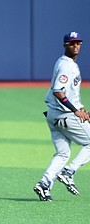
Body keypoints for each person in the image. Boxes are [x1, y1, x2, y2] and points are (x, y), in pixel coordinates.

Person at [33, 31, 90, 202]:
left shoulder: (65, 62)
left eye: (78, 43)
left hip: (53, 115)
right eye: (72, 43)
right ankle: (69, 172)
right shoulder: (67, 65)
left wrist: (81, 108)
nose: (75, 46)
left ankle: (44, 184)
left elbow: (69, 93)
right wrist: (75, 110)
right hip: (65, 115)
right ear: (65, 45)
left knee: (63, 153)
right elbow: (58, 91)